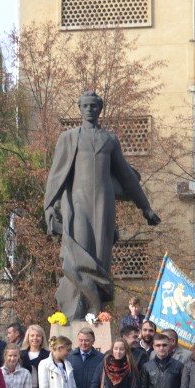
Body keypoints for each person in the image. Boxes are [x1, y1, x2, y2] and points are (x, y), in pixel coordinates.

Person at [44, 90, 160, 319]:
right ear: (79, 109)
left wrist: (145, 207)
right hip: (77, 205)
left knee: (100, 257)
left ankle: (95, 312)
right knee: (76, 254)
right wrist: (49, 207)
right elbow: (56, 175)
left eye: (94, 106)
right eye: (85, 106)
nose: (89, 110)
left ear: (100, 109)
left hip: (103, 206)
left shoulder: (110, 139)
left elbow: (126, 175)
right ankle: (79, 310)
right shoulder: (69, 137)